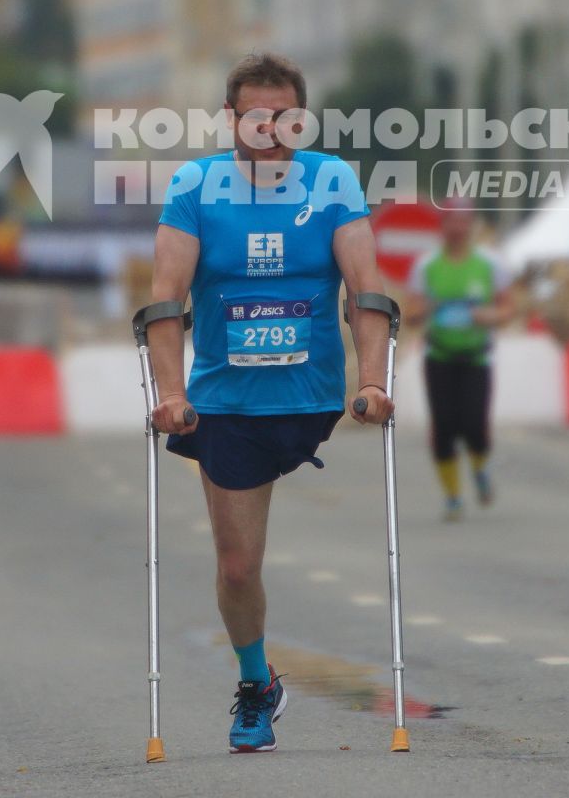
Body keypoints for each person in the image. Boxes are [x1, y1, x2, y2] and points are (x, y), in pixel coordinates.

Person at [145, 52, 395, 754]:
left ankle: (257, 682)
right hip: (224, 401)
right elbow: (166, 300)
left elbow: (366, 289)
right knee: (236, 566)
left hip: (312, 394)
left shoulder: (332, 180)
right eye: (256, 116)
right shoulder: (196, 186)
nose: (271, 130)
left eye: (285, 117)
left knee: (239, 558)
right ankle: (258, 684)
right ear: (232, 120)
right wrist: (170, 393)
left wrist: (372, 380)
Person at [404, 202, 513, 520]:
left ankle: (480, 470)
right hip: (438, 355)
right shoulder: (427, 266)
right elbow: (410, 313)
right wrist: (425, 310)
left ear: (472, 224)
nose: (458, 227)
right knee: (444, 428)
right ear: (443, 225)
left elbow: (509, 308)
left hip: (476, 356)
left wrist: (489, 314)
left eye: (464, 220)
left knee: (475, 425)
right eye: (452, 220)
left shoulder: (490, 265)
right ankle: (452, 496)